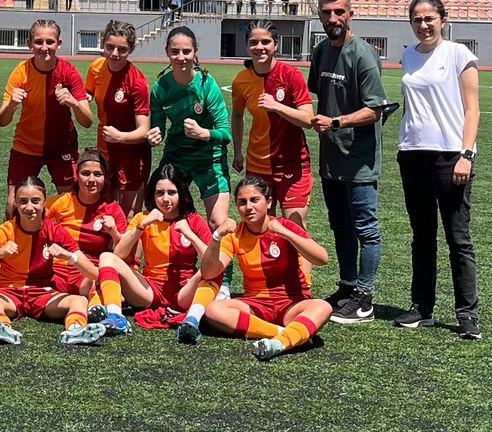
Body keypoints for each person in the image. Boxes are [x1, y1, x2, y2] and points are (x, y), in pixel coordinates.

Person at [394, 0, 481, 339]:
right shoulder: (408, 55)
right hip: (413, 154)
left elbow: (472, 109)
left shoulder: (459, 54)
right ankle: (421, 308)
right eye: (417, 19)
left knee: (458, 239)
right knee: (422, 236)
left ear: (443, 19)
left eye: (429, 18)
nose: (423, 25)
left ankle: (467, 314)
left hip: (450, 156)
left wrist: (466, 154)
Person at [308, 0, 389, 324]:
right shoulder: (321, 51)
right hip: (331, 159)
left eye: (339, 12)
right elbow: (315, 95)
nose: (332, 19)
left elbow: (377, 108)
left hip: (359, 160)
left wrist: (337, 121)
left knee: (365, 229)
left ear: (350, 14)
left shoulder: (363, 54)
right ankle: (347, 286)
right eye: (327, 13)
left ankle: (364, 298)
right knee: (340, 226)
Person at [199, 176, 332, 362]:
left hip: (291, 303)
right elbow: (209, 273)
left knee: (322, 307)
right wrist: (216, 237)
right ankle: (285, 335)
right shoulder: (234, 234)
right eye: (242, 202)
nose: (248, 207)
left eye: (255, 200)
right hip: (255, 305)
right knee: (213, 310)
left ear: (268, 202)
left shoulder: (284, 226)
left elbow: (322, 258)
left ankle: (279, 343)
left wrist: (285, 233)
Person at [0, 176, 106, 346]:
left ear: (44, 201)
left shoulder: (54, 230)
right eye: (23, 201)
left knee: (79, 301)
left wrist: (69, 256)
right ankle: (3, 328)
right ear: (15, 203)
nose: (29, 207)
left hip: (43, 292)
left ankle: (74, 330)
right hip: (9, 292)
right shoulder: (5, 231)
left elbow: (93, 273)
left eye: (35, 201)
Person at [111, 163, 214, 341]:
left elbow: (213, 263)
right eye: (160, 193)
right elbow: (118, 255)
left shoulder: (194, 221)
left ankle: (192, 318)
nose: (165, 199)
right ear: (152, 194)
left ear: (181, 193)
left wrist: (190, 235)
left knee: (212, 271)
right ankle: (114, 315)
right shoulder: (143, 218)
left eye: (171, 192)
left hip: (184, 291)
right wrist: (141, 227)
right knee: (106, 258)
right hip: (149, 291)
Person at [0, 18, 91, 213]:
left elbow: (87, 121)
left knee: (72, 205)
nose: (44, 47)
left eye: (50, 42)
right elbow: (2, 120)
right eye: (39, 42)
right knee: (13, 205)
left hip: (61, 149)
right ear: (29, 43)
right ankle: (14, 242)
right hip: (26, 147)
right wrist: (13, 102)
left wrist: (73, 102)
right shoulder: (21, 72)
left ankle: (65, 243)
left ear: (59, 44)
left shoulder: (69, 73)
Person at [231, 22, 315, 228]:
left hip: (291, 164)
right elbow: (237, 116)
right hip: (257, 165)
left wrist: (277, 106)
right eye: (253, 42)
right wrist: (237, 152)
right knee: (259, 226)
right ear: (247, 46)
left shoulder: (291, 75)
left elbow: (308, 120)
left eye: (265, 42)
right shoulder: (241, 80)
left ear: (275, 44)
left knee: (295, 226)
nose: (260, 47)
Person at [147, 25, 232, 230]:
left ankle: (221, 264)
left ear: (195, 52)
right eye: (175, 51)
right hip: (176, 157)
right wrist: (155, 135)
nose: (181, 57)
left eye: (187, 51)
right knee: (162, 216)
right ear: (167, 51)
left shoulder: (206, 84)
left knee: (217, 223)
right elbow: (158, 126)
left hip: (209, 158)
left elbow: (225, 133)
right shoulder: (160, 88)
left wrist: (203, 134)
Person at [46, 149, 131, 334]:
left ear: (105, 178)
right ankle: (95, 311)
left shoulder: (112, 209)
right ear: (77, 175)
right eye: (85, 173)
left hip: (89, 273)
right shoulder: (60, 202)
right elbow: (33, 224)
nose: (91, 180)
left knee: (91, 284)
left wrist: (115, 232)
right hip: (57, 270)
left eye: (97, 174)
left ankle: (101, 313)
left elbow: (124, 255)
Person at [85, 20, 151, 214]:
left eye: (122, 49)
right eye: (110, 47)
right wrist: (85, 96)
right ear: (102, 43)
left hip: (131, 154)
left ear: (131, 49)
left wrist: (120, 137)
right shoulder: (96, 67)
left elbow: (143, 131)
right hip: (104, 150)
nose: (114, 54)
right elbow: (89, 90)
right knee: (105, 209)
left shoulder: (136, 82)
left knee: (129, 215)